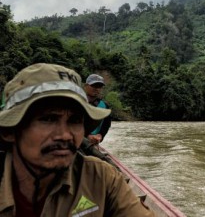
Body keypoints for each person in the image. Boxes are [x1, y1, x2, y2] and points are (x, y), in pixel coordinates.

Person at [0, 63, 154, 216]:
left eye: (74, 121)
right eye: (48, 119)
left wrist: (100, 137)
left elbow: (105, 126)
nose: (66, 135)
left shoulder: (101, 178)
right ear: (9, 131)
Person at [84, 74, 111, 145]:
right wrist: (87, 135)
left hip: (94, 142)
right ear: (86, 86)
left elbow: (106, 124)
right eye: (93, 85)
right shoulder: (77, 102)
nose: (96, 89)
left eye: (99, 86)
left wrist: (100, 135)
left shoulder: (105, 106)